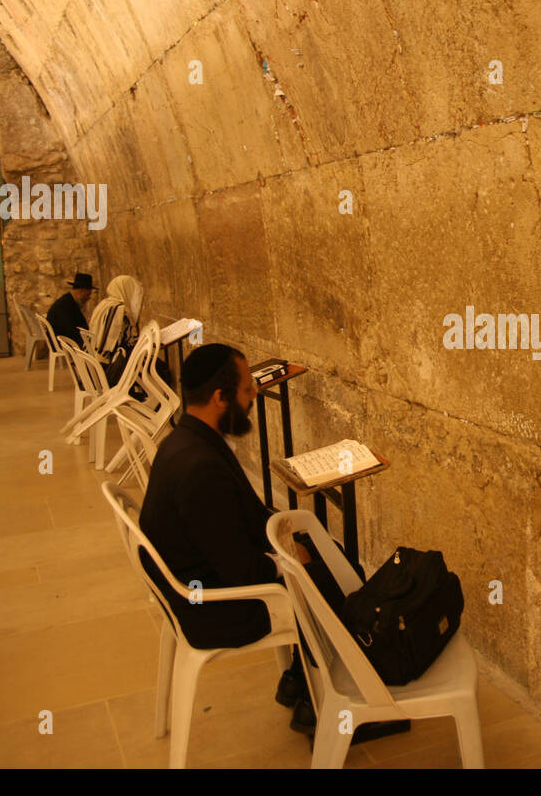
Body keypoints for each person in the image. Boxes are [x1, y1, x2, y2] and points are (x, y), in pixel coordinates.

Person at [139, 344, 340, 734]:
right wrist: (289, 558)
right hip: (215, 611)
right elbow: (241, 570)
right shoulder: (200, 468)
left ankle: (303, 683)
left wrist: (283, 534)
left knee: (321, 551)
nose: (253, 398)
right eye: (247, 390)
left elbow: (237, 522)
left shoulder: (188, 439)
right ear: (220, 397)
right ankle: (328, 709)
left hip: (196, 585)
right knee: (322, 578)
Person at [46, 272, 93, 346]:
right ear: (81, 291)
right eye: (87, 295)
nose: (88, 298)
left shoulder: (69, 301)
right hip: (63, 343)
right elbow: (70, 330)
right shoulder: (65, 305)